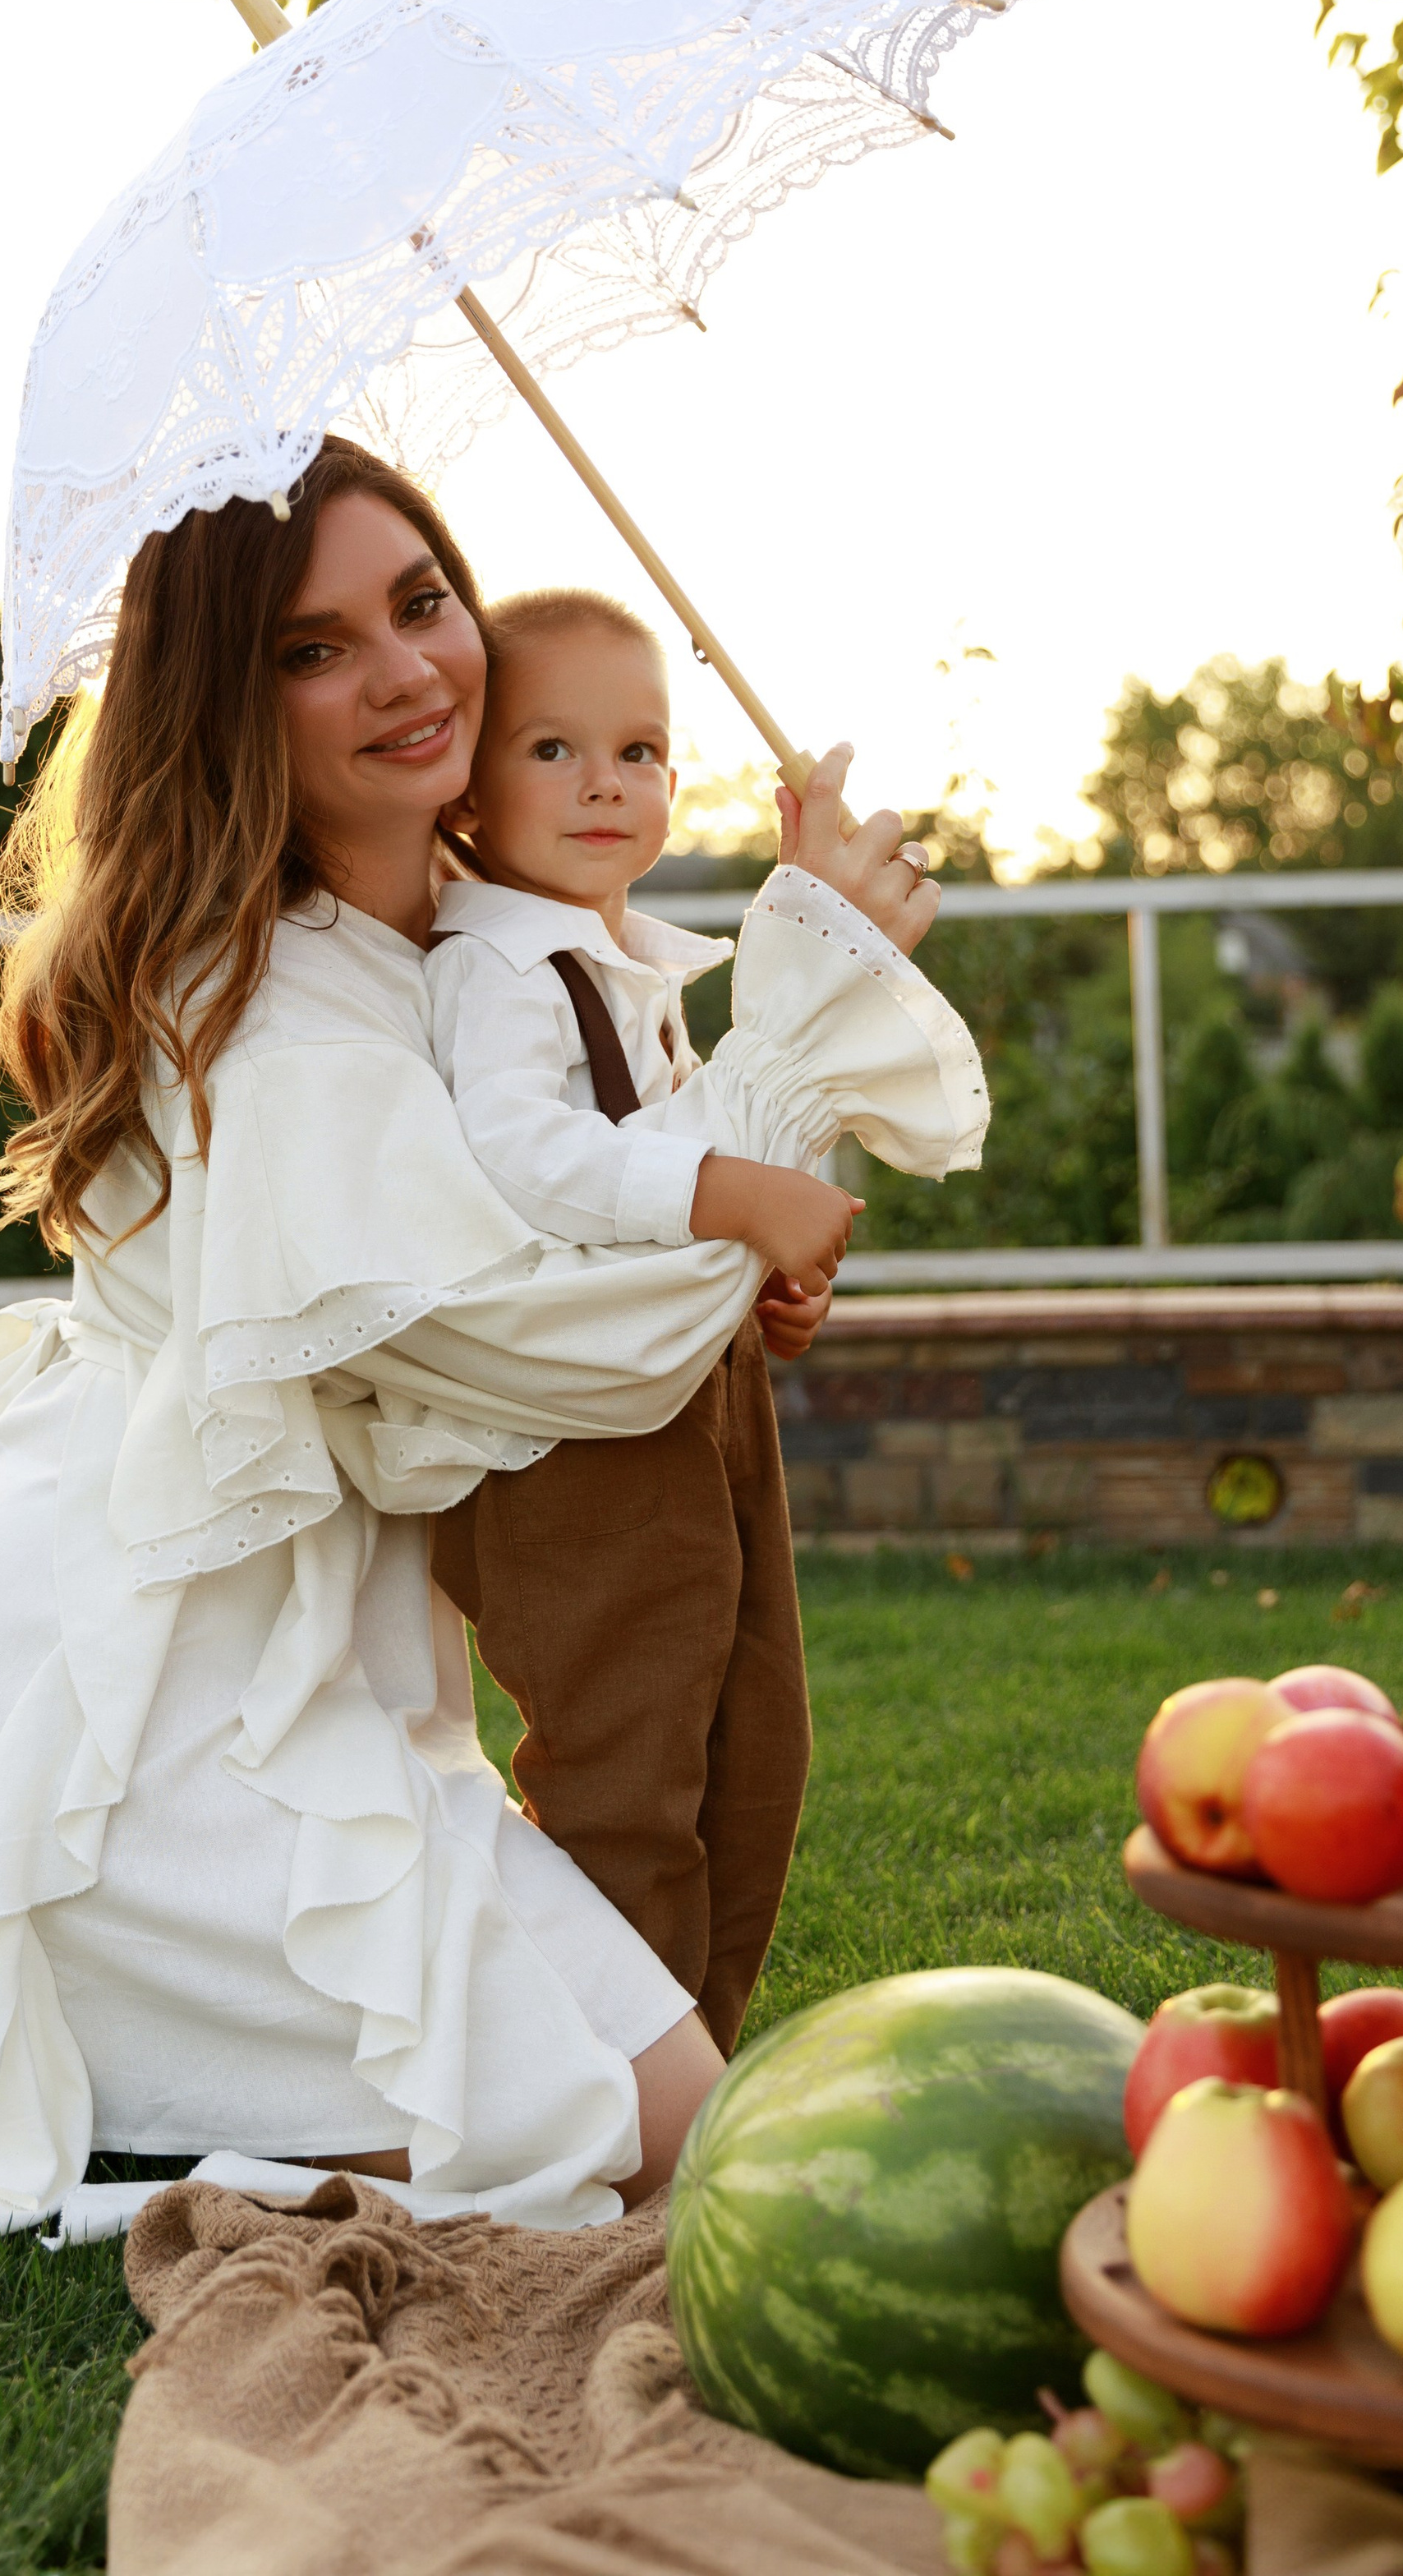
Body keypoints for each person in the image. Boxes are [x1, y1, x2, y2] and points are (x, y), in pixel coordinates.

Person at [0, 435, 986, 2229]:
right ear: (227, 705)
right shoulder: (272, 1018)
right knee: (659, 2147)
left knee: (675, 2123)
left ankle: (18, 2073)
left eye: (422, 602)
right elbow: (555, 1342)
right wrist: (807, 1001)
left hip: (248, 1637)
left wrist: (750, 1223)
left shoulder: (472, 933)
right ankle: (21, 2042)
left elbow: (598, 1179)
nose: (406, 670)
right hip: (102, 1680)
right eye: (313, 649)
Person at [426, 588, 955, 2053]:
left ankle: (694, 2057)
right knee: (626, 1770)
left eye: (643, 749)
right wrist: (727, 1192)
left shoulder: (641, 966)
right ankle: (605, 2085)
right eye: (553, 747)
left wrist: (771, 1282)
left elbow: (707, 1145)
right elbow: (528, 1155)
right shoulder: (494, 967)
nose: (608, 782)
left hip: (703, 1404)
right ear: (464, 787)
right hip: (583, 1439)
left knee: (756, 1744)